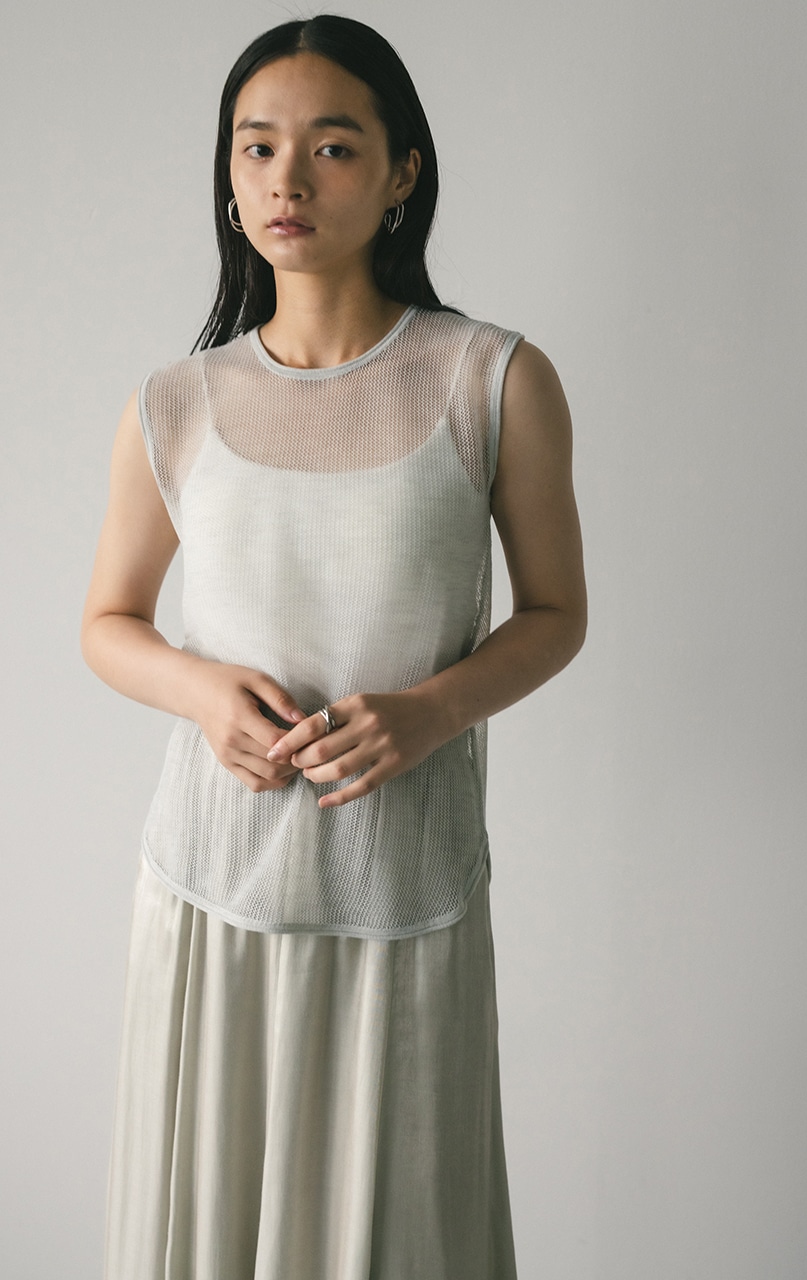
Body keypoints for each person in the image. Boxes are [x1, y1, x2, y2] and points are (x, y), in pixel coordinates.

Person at [81, 15, 586, 1280]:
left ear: (402, 170)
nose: (287, 180)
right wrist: (203, 693)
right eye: (257, 147)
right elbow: (108, 622)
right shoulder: (174, 402)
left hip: (400, 890)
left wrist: (432, 709)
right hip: (210, 890)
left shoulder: (493, 379)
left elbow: (554, 613)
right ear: (229, 172)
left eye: (332, 146)